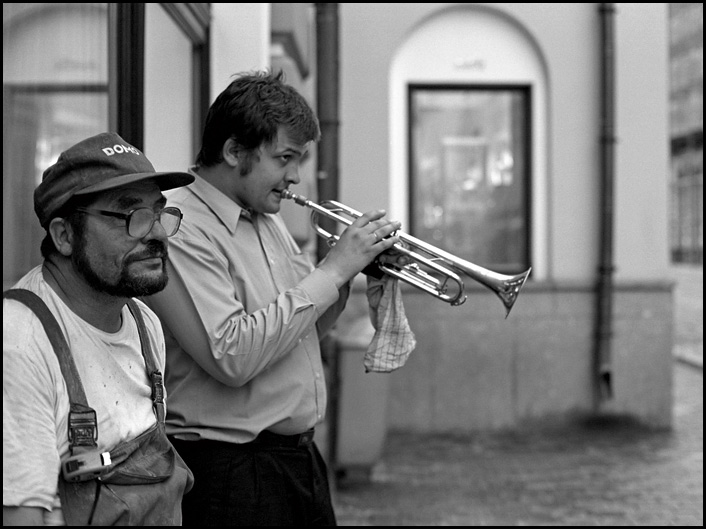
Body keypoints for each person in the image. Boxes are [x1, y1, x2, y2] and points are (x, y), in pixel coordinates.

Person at [142, 69, 402, 526]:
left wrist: (348, 280)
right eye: (285, 158)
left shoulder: (265, 218)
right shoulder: (181, 228)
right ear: (233, 151)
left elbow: (300, 333)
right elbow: (233, 355)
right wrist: (335, 268)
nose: (295, 176)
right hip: (232, 473)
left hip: (295, 461)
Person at [3, 132, 195, 526]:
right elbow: (23, 516)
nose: (157, 233)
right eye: (130, 216)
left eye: (159, 212)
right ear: (64, 236)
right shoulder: (19, 342)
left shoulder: (145, 324)